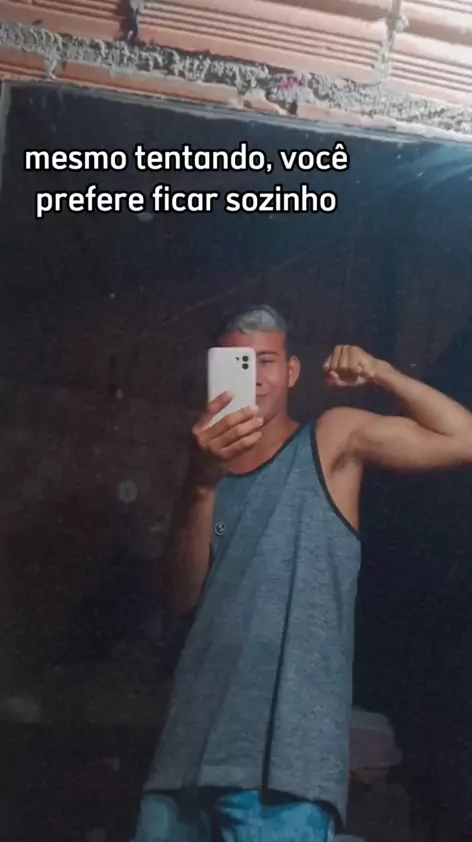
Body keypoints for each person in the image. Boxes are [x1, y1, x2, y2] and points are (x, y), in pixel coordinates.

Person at [134, 305, 472, 842]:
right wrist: (199, 484)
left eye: (266, 361)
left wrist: (381, 372)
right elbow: (182, 603)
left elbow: (464, 438)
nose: (254, 376)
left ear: (292, 372)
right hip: (181, 767)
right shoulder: (203, 477)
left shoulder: (330, 441)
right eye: (238, 362)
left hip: (284, 776)